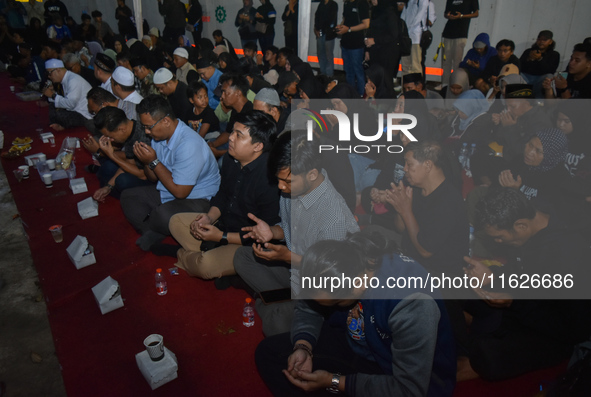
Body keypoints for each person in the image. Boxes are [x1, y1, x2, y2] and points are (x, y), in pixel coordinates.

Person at [255, 232, 456, 396]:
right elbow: (309, 307)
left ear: (358, 283)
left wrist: (334, 382)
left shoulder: (411, 303)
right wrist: (303, 346)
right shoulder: (343, 257)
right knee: (268, 353)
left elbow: (408, 389)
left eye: (337, 302)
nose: (328, 306)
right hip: (359, 344)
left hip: (397, 376)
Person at [233, 131, 360, 336]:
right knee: (241, 257)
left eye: (287, 181)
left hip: (319, 287)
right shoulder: (292, 189)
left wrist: (286, 256)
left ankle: (271, 300)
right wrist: (272, 232)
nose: (281, 187)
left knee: (275, 324)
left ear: (312, 174)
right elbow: (289, 228)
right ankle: (275, 299)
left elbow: (330, 276)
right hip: (293, 271)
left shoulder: (333, 216)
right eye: (279, 180)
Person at [458, 187, 591, 380]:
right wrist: (492, 276)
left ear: (521, 225)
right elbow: (521, 275)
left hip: (555, 332)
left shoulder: (568, 254)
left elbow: (574, 329)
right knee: (455, 289)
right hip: (525, 306)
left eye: (500, 237)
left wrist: (514, 303)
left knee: (488, 355)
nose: (498, 242)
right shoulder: (529, 225)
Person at [167, 111, 280, 278]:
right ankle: (211, 256)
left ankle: (187, 255)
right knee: (175, 222)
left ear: (258, 146)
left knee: (205, 266)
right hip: (223, 224)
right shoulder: (230, 158)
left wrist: (221, 237)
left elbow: (264, 234)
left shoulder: (270, 179)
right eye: (232, 132)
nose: (231, 138)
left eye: (239, 135)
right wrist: (209, 218)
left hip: (246, 243)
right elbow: (223, 195)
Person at [120, 95, 221, 251]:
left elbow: (181, 192)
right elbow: (153, 178)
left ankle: (156, 228)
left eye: (149, 127)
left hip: (199, 198)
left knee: (162, 214)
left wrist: (153, 161)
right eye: (144, 127)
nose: (146, 132)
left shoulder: (189, 144)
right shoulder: (158, 136)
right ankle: (153, 231)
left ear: (165, 121)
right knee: (128, 196)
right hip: (169, 188)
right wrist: (147, 162)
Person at [384, 140, 469, 277]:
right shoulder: (417, 189)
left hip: (439, 273)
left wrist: (406, 211)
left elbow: (425, 250)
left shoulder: (448, 200)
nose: (405, 168)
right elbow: (401, 229)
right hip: (412, 256)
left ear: (428, 165)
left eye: (409, 164)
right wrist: (399, 207)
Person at [91, 107, 154, 201]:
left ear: (121, 129)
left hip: (153, 180)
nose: (110, 140)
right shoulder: (130, 131)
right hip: (139, 171)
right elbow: (129, 164)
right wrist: (108, 187)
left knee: (122, 181)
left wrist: (112, 155)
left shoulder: (143, 138)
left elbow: (143, 175)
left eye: (110, 136)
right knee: (108, 167)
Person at [492, 84, 552, 164]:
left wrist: (510, 127)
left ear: (526, 104)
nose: (508, 110)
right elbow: (499, 139)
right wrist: (500, 123)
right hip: (506, 156)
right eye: (507, 107)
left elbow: (522, 152)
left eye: (512, 106)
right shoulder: (517, 113)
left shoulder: (540, 122)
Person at [208, 73, 253, 159]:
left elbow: (244, 149)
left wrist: (218, 153)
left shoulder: (250, 114)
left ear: (238, 93)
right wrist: (213, 144)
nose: (222, 97)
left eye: (225, 92)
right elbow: (228, 132)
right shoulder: (235, 110)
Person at [42, 58, 93, 131]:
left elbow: (71, 104)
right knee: (53, 106)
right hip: (75, 110)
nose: (49, 77)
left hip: (84, 114)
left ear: (58, 70)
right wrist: (52, 93)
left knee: (60, 114)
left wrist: (53, 95)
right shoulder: (67, 79)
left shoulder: (73, 80)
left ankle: (62, 125)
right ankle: (57, 124)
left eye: (49, 73)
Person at [438, 0, 479, 90]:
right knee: (446, 61)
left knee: (457, 62)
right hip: (448, 32)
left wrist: (461, 16)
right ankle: (445, 84)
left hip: (461, 33)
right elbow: (445, 13)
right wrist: (448, 15)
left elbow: (476, 13)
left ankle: (456, 84)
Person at [336, 0, 370, 96]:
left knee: (358, 71)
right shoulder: (347, 3)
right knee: (348, 71)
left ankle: (361, 95)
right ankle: (350, 94)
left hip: (357, 44)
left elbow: (366, 24)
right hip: (345, 43)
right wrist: (340, 27)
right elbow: (345, 19)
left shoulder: (361, 3)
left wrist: (349, 29)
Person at [519, 30, 560, 98]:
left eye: (544, 40)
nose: (541, 42)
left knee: (549, 76)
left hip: (540, 80)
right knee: (516, 74)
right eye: (539, 39)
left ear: (550, 42)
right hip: (526, 78)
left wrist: (540, 59)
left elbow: (550, 71)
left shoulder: (554, 54)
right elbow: (519, 66)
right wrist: (529, 59)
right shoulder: (529, 51)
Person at [401, 0, 429, 76]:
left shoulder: (422, 1)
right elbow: (403, 16)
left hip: (415, 36)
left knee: (415, 65)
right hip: (406, 38)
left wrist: (408, 27)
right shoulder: (408, 1)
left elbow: (419, 16)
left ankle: (416, 86)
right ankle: (406, 86)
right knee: (405, 65)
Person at [314, 0, 338, 78]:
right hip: (320, 32)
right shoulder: (321, 4)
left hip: (329, 33)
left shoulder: (333, 4)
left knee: (329, 54)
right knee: (320, 53)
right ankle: (323, 72)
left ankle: (329, 74)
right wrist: (316, 28)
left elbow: (331, 18)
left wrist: (321, 27)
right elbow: (316, 16)